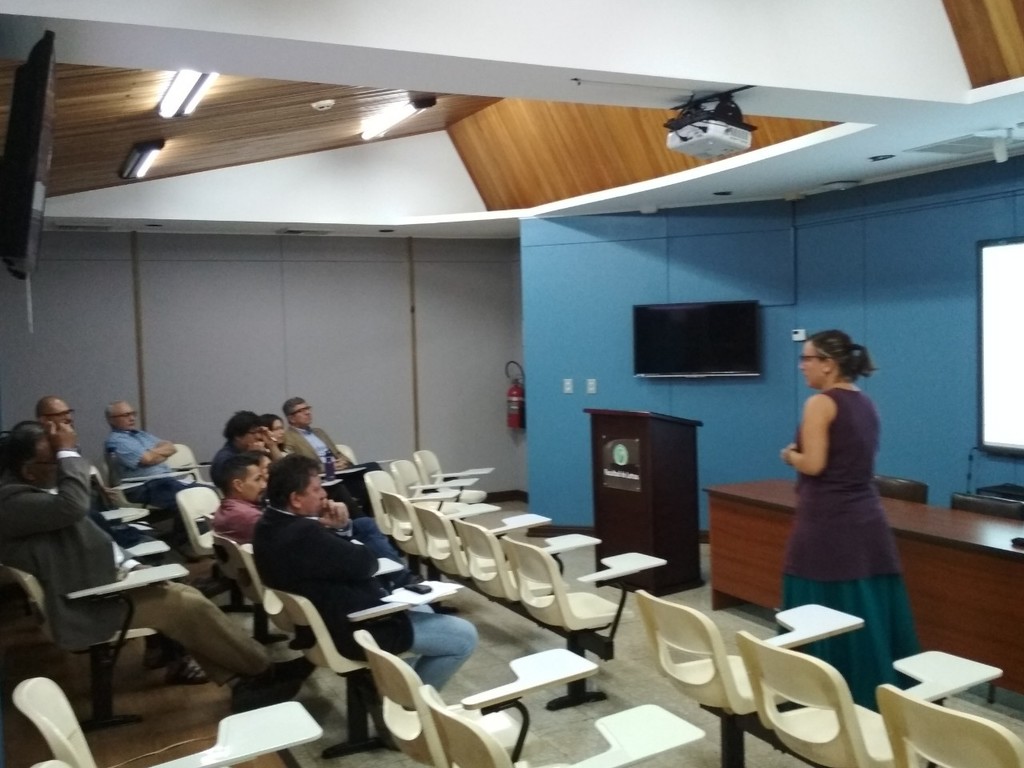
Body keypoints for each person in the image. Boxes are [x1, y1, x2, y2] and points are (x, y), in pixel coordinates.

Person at [0, 420, 312, 711]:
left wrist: (132, 567)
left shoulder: (32, 494)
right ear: (28, 471)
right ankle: (264, 670)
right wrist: (68, 451)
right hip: (86, 603)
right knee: (183, 606)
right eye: (55, 460)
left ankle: (243, 680)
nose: (64, 466)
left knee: (189, 598)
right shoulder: (13, 503)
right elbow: (73, 506)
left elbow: (82, 527)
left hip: (101, 586)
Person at [779, 329, 919, 708]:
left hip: (827, 522)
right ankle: (874, 692)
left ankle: (817, 694)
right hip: (866, 521)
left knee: (820, 606)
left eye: (807, 358)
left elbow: (814, 464)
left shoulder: (820, 403)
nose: (802, 366)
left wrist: (789, 455)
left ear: (828, 364)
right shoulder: (865, 402)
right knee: (863, 606)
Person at [253, 454, 476, 689]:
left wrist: (337, 530)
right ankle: (409, 701)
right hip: (356, 629)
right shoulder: (305, 534)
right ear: (296, 499)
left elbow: (334, 561)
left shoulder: (266, 526)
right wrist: (343, 529)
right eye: (316, 489)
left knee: (424, 608)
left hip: (319, 626)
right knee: (464, 637)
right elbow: (367, 563)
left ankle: (394, 686)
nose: (324, 494)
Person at [280, 397, 379, 515]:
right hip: (322, 475)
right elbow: (297, 465)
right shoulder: (289, 437)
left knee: (373, 470)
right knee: (363, 479)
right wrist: (328, 467)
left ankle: (374, 514)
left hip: (341, 470)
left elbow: (337, 453)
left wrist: (344, 461)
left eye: (307, 408)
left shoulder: (319, 432)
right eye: (301, 411)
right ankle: (364, 517)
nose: (307, 412)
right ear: (291, 418)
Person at [102, 399, 195, 511]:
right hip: (144, 487)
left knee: (208, 492)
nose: (132, 418)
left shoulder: (141, 434)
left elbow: (171, 447)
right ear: (111, 420)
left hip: (165, 481)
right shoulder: (116, 441)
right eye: (126, 415)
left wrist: (151, 454)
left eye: (133, 414)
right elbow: (147, 459)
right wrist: (155, 454)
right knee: (191, 501)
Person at [210, 411, 282, 489]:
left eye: (259, 432)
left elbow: (283, 470)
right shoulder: (225, 459)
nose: (258, 436)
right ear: (238, 436)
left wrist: (271, 445)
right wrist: (253, 456)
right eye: (254, 432)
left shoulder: (252, 450)